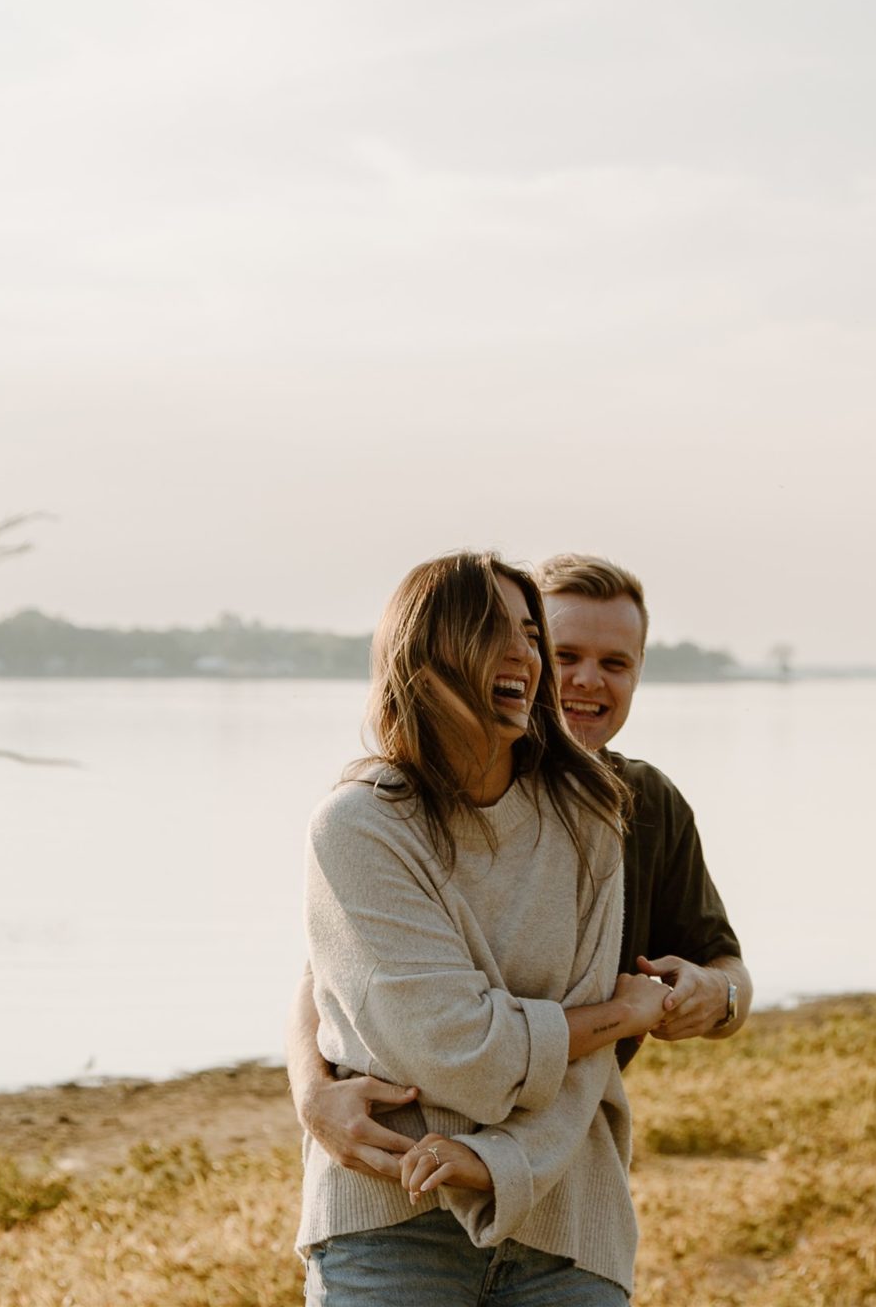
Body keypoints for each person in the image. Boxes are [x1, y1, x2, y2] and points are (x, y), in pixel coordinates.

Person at [288, 552, 750, 1175]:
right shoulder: (416, 798)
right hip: (419, 1144)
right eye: (565, 655)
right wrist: (312, 1094)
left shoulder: (645, 804)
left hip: (561, 1156)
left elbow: (728, 972)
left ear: (638, 675)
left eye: (615, 663)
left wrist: (715, 996)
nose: (587, 680)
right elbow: (326, 976)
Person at [298, 552, 671, 1304]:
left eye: (531, 634)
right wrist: (615, 1016)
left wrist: (502, 1163)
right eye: (491, 630)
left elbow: (587, 1068)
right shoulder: (361, 826)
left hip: (568, 1216)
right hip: (393, 1216)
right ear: (424, 650)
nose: (522, 656)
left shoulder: (592, 818)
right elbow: (457, 1047)